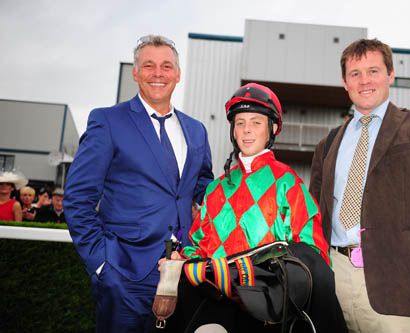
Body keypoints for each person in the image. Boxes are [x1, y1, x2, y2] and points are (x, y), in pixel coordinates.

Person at [309, 39, 410, 333]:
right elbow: (312, 216)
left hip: (403, 289)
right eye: (355, 73)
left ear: (390, 75)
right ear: (345, 82)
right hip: (335, 283)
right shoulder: (328, 143)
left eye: (373, 70)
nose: (365, 80)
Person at [160, 83, 346, 333]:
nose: (247, 130)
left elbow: (313, 254)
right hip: (218, 304)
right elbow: (198, 245)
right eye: (240, 123)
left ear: (273, 128)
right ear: (233, 131)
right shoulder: (216, 189)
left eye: (256, 122)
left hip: (269, 310)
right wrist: (179, 259)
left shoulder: (288, 182)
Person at [64, 34, 213, 332]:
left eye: (166, 66)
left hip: (181, 273)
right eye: (149, 65)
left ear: (178, 74)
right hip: (123, 275)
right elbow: (77, 198)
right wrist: (103, 265)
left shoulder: (196, 131)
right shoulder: (108, 122)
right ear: (135, 73)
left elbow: (207, 192)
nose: (158, 73)